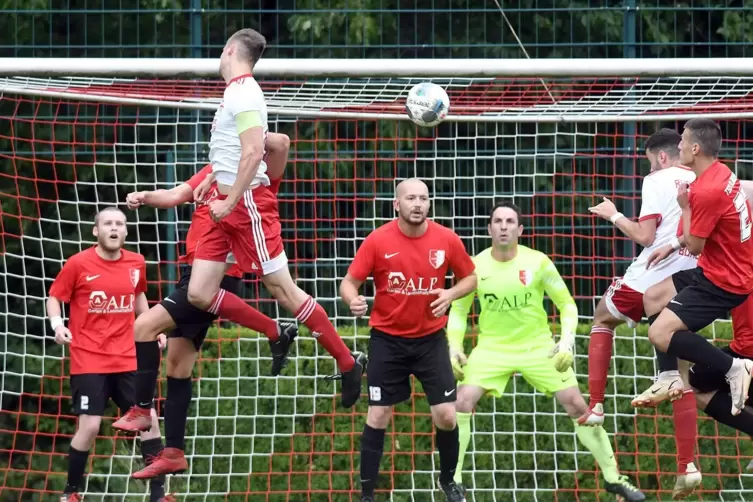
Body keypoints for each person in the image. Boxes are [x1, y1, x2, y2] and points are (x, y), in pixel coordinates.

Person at [179, 28, 364, 409]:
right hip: (226, 200)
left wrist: (230, 201)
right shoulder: (235, 93)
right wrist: (216, 177)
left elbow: (252, 152)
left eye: (220, 50)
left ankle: (348, 363)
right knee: (199, 292)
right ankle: (275, 331)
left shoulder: (244, 91)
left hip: (246, 205)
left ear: (229, 49)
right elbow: (238, 151)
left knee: (282, 289)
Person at [117, 134, 297, 479]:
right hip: (193, 273)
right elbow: (174, 195)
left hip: (216, 275)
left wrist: (250, 132)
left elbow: (282, 144)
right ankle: (173, 453)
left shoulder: (253, 177)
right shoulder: (212, 171)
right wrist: (144, 196)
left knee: (143, 327)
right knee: (177, 365)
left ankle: (141, 409)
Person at [448, 201, 645, 502]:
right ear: (489, 228)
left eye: (510, 221)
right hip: (491, 348)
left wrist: (565, 341)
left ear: (520, 229)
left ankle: (614, 478)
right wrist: (454, 346)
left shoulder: (538, 262)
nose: (503, 226)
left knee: (579, 407)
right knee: (461, 401)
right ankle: (454, 481)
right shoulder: (474, 267)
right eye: (498, 221)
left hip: (538, 346)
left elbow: (567, 305)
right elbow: (458, 312)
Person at [339, 178, 477, 502]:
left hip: (430, 340)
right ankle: (367, 494)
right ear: (396, 205)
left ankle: (448, 481)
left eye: (423, 198)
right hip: (387, 340)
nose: (418, 204)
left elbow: (470, 277)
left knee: (446, 414)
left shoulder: (446, 239)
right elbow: (349, 282)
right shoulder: (377, 240)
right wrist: (352, 300)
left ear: (429, 204)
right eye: (411, 198)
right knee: (378, 414)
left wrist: (451, 292)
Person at [583, 129, 700, 497]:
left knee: (602, 316)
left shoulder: (658, 178)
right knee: (679, 375)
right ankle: (688, 465)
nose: (650, 165)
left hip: (649, 277)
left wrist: (613, 214)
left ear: (661, 157)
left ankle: (597, 405)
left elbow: (647, 236)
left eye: (650, 160)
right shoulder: (699, 178)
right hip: (690, 281)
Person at [47, 207, 169, 502]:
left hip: (128, 357)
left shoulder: (136, 262)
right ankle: (71, 492)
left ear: (126, 232)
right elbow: (55, 297)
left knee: (148, 420)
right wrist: (57, 324)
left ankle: (158, 495)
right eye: (108, 224)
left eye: (119, 224)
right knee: (90, 425)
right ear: (96, 231)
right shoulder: (78, 264)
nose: (114, 228)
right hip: (89, 358)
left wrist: (155, 325)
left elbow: (138, 296)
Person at [639, 118, 753, 421]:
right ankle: (668, 377)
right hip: (723, 270)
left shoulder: (705, 191)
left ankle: (734, 368)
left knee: (659, 333)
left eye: (682, 140)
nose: (678, 145)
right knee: (653, 296)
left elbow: (697, 245)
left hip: (723, 282)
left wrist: (685, 208)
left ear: (695, 147)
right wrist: (672, 245)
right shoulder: (721, 173)